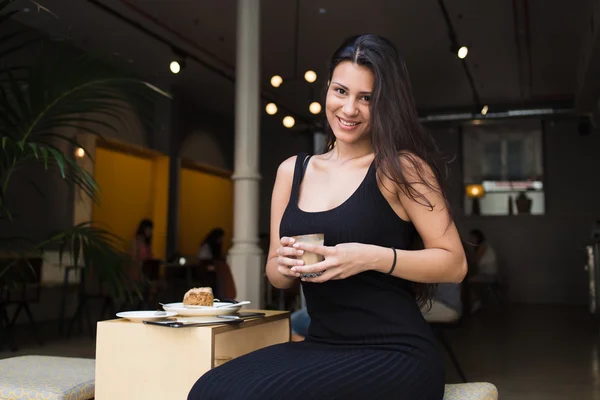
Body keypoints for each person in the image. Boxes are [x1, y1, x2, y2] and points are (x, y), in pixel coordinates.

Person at [188, 34, 467, 400]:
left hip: (396, 352)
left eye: (366, 98)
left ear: (385, 104)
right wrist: (284, 266)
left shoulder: (401, 168)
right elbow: (276, 273)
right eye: (340, 91)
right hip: (321, 343)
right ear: (327, 90)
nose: (349, 109)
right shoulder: (293, 171)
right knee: (208, 390)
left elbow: (455, 264)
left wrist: (368, 256)